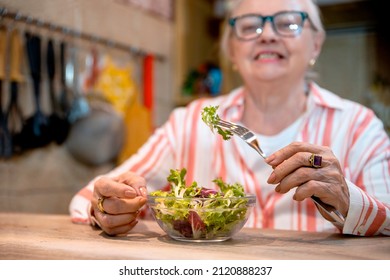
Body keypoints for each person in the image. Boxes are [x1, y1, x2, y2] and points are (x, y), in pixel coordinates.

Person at [69, 0, 390, 236]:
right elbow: (88, 198)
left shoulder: (360, 127)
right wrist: (110, 206)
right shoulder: (190, 122)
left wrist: (347, 200)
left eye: (289, 23)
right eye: (250, 26)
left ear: (315, 44)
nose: (266, 34)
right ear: (233, 51)